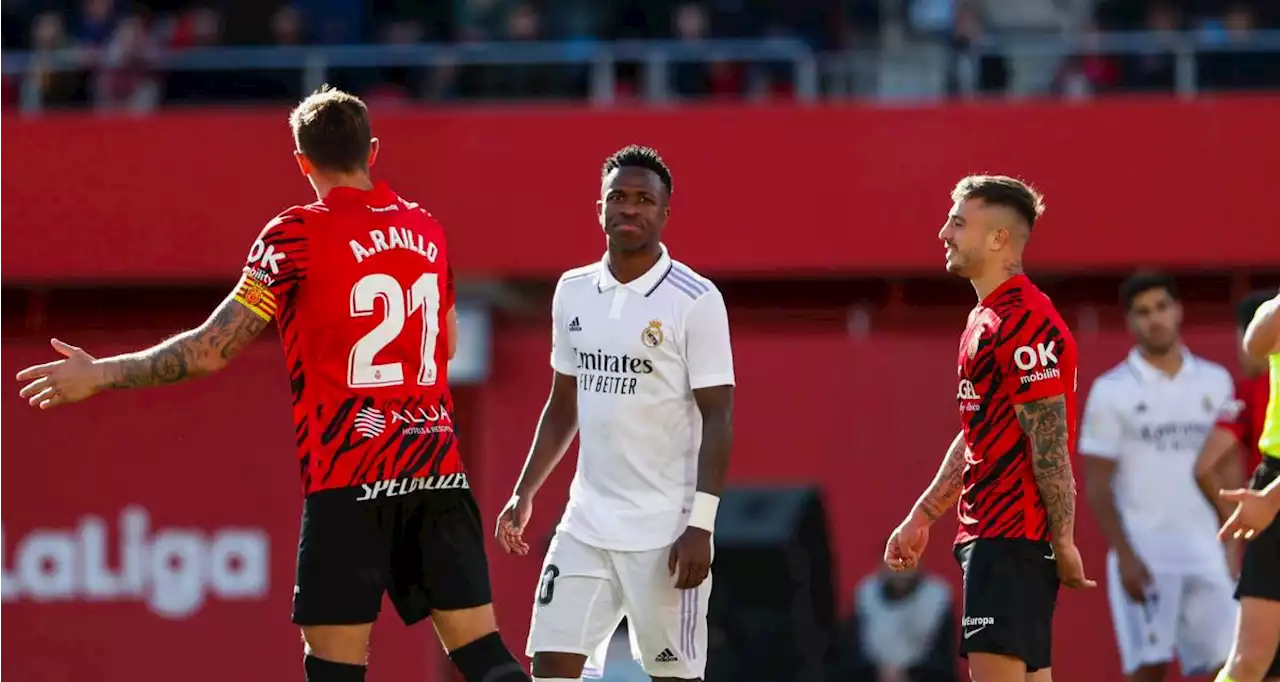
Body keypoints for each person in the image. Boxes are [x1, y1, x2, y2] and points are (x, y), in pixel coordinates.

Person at [13, 87, 530, 682]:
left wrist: (100, 374)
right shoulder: (427, 231)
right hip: (436, 472)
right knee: (484, 656)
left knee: (335, 672)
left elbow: (211, 350)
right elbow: (448, 347)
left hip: (349, 479)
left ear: (302, 162)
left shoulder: (294, 236)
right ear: (374, 150)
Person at [493, 145, 735, 682]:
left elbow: (719, 416)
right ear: (599, 207)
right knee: (552, 667)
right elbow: (563, 404)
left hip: (666, 532)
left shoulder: (696, 299)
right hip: (585, 526)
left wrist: (702, 525)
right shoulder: (573, 290)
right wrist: (525, 490)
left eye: (644, 200)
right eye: (618, 197)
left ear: (665, 213)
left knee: (674, 676)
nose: (630, 209)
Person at [884, 175, 1094, 682]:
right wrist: (924, 513)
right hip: (997, 540)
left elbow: (1049, 444)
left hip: (1011, 541)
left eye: (957, 222)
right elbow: (978, 430)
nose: (943, 234)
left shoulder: (1025, 323)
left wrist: (1063, 542)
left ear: (999, 239)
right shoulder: (986, 318)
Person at [1078, 271, 1237, 682]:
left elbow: (1230, 467)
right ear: (1130, 322)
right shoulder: (1111, 391)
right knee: (1149, 669)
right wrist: (1125, 555)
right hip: (1146, 554)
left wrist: (1235, 544)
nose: (1155, 319)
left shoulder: (1216, 381)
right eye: (1143, 312)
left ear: (1178, 310)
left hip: (1208, 550)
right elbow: (1097, 485)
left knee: (1233, 665)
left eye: (1162, 307)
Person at [1212, 290, 1280, 682]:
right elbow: (1254, 346)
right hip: (1272, 480)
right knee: (1249, 660)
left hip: (1272, 498)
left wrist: (1271, 500)